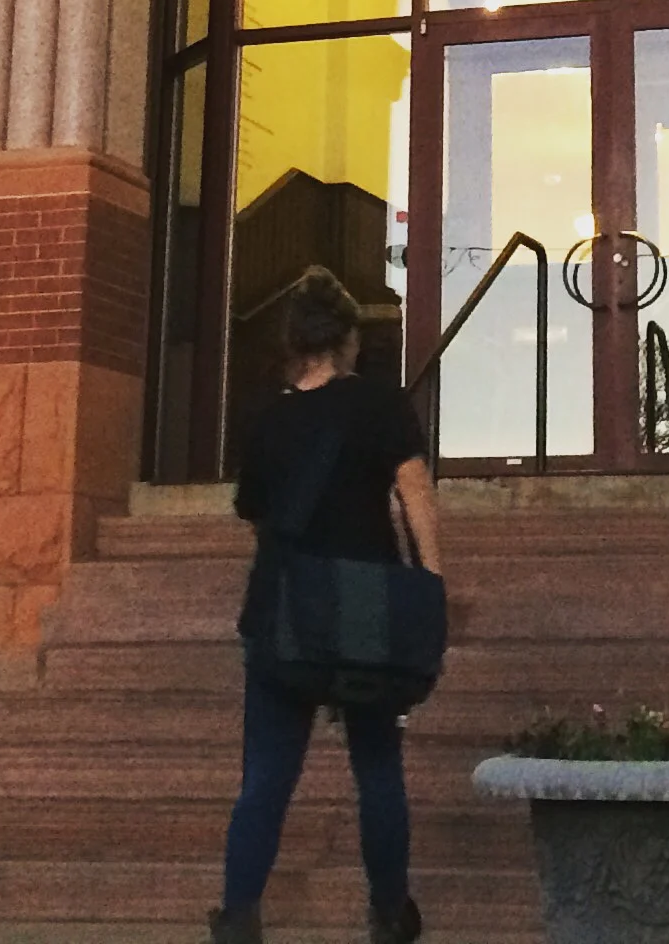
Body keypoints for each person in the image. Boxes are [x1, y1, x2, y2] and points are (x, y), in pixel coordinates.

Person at [213, 267, 442, 944]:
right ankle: (390, 913)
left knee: (265, 778)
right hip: (368, 606)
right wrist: (430, 584)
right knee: (377, 769)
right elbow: (416, 492)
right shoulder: (379, 406)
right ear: (347, 339)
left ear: (293, 341)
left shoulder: (268, 418)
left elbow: (257, 518)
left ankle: (238, 916)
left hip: (286, 610)